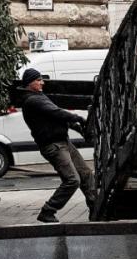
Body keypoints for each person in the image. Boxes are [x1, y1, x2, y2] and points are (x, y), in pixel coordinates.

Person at [18, 66, 96, 223]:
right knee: (72, 180)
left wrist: (78, 128)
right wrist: (78, 118)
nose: (42, 83)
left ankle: (95, 208)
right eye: (39, 80)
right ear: (30, 83)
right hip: (53, 146)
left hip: (64, 142)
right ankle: (48, 210)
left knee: (86, 174)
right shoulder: (32, 100)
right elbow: (56, 112)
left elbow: (58, 117)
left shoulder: (40, 96)